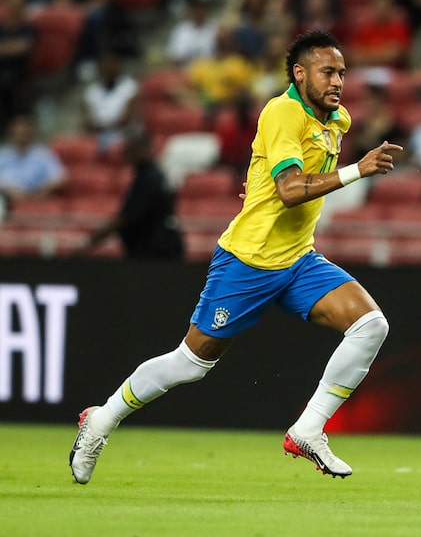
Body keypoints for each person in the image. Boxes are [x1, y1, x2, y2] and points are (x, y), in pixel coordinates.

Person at [68, 31, 403, 484]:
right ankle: (102, 419)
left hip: (298, 260)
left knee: (371, 325)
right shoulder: (283, 111)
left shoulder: (335, 119)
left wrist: (262, 181)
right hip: (248, 260)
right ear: (300, 73)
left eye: (342, 72)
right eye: (328, 71)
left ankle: (308, 428)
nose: (338, 81)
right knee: (190, 362)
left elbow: (276, 175)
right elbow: (288, 191)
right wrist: (356, 170)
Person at [76, 129, 184, 260]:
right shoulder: (149, 175)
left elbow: (124, 218)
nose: (125, 154)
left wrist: (88, 242)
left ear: (144, 148)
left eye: (131, 149)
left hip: (155, 253)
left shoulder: (149, 179)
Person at [81, 52, 140, 152]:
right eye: (105, 65)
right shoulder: (91, 91)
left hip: (123, 135)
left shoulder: (129, 86)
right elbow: (87, 121)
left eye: (111, 65)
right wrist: (102, 128)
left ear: (118, 65)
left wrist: (101, 126)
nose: (108, 68)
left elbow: (126, 119)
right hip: (97, 136)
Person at [0, 114, 66, 201]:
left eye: (24, 134)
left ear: (31, 134)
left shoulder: (42, 154)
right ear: (11, 135)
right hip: (6, 198)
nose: (21, 137)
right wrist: (8, 190)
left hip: (37, 197)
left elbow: (60, 177)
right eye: (18, 134)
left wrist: (42, 190)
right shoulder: (3, 155)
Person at [0, 0, 35, 134]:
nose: (14, 9)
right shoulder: (2, 28)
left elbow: (24, 47)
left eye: (18, 6)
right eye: (11, 5)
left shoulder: (27, 28)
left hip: (18, 75)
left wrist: (5, 48)